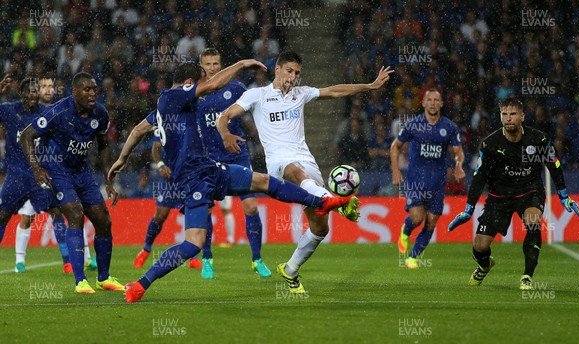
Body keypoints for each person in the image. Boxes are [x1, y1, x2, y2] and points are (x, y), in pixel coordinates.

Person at [108, 60, 356, 303]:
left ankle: (320, 202)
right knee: (193, 243)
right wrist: (241, 64)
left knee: (263, 181)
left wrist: (121, 159)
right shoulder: (173, 97)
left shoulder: (164, 109)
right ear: (188, 84)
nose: (205, 87)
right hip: (194, 180)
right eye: (201, 81)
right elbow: (214, 85)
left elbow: (137, 131)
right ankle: (141, 284)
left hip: (210, 170)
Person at [218, 51, 391, 293]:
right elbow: (224, 115)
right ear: (277, 69)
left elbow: (334, 91)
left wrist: (369, 86)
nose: (293, 76)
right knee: (295, 171)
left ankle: (290, 269)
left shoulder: (301, 94)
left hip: (306, 160)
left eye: (297, 73)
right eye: (289, 71)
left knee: (321, 227)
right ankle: (337, 201)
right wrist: (225, 133)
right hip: (280, 164)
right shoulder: (256, 95)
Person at [448, 98, 579, 289]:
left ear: (522, 116)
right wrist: (468, 209)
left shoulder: (539, 140)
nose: (508, 118)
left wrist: (564, 195)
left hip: (530, 191)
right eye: (504, 114)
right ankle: (484, 265)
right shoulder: (491, 144)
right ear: (500, 116)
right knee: (479, 246)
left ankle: (527, 276)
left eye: (512, 114)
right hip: (499, 196)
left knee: (533, 221)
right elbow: (479, 177)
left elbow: (555, 165)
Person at [20, 72, 122, 294]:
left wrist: (108, 178)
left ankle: (103, 279)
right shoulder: (58, 111)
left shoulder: (101, 114)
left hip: (82, 173)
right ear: (75, 92)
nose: (92, 93)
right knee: (75, 214)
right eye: (86, 89)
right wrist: (37, 168)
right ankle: (80, 281)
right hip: (57, 171)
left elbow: (104, 145)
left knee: (103, 220)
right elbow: (26, 135)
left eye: (94, 89)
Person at [196, 48, 270, 279]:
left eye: (216, 63)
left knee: (251, 207)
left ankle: (257, 259)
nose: (212, 68)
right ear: (201, 66)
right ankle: (207, 258)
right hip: (209, 158)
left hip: (237, 154)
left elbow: (253, 110)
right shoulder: (196, 92)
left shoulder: (235, 88)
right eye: (208, 64)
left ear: (221, 64)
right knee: (207, 209)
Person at [390, 89, 465, 268]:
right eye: (429, 100)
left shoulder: (449, 127)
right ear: (423, 103)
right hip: (416, 180)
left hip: (438, 183)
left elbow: (458, 151)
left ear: (441, 104)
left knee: (431, 222)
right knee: (417, 218)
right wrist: (395, 170)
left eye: (436, 100)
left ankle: (414, 257)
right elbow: (395, 146)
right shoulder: (413, 125)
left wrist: (458, 165)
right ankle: (406, 230)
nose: (432, 103)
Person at [0, 77, 65, 272]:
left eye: (36, 91)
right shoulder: (10, 110)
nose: (33, 95)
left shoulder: (45, 113)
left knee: (57, 212)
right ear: (22, 94)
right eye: (29, 91)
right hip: (17, 175)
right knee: (3, 216)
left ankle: (69, 262)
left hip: (39, 175)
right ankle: (19, 260)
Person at [132, 125, 203, 269]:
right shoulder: (165, 122)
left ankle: (194, 257)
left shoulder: (190, 121)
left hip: (187, 177)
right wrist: (160, 165)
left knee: (191, 212)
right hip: (169, 179)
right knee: (160, 215)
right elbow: (156, 147)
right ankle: (146, 249)